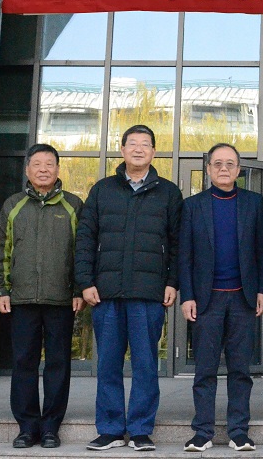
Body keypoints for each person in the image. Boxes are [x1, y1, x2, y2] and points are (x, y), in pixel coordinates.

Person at [75, 124, 183, 452]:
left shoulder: (168, 192)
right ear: (122, 150)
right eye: (132, 143)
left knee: (146, 365)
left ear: (154, 152)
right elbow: (85, 239)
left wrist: (172, 282)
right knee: (107, 364)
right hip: (106, 292)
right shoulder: (102, 190)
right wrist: (85, 283)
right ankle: (109, 430)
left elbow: (178, 244)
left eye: (145, 144)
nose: (138, 149)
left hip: (148, 293)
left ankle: (140, 430)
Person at [0, 143, 84, 449]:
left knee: (58, 364)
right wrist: (1, 289)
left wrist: (78, 289)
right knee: (23, 363)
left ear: (58, 169)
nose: (43, 169)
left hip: (61, 299)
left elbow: (82, 252)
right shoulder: (14, 204)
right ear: (27, 169)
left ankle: (51, 428)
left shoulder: (73, 205)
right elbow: (1, 250)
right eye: (37, 164)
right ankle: (27, 427)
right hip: (22, 299)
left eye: (49, 164)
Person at [178, 142, 263, 452]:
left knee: (241, 370)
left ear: (239, 170)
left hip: (243, 298)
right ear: (208, 169)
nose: (224, 168)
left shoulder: (253, 203)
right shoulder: (193, 206)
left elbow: (262, 252)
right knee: (204, 369)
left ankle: (239, 432)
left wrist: (262, 290)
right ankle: (202, 432)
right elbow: (184, 256)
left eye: (230, 163)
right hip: (207, 300)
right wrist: (187, 295)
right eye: (217, 163)